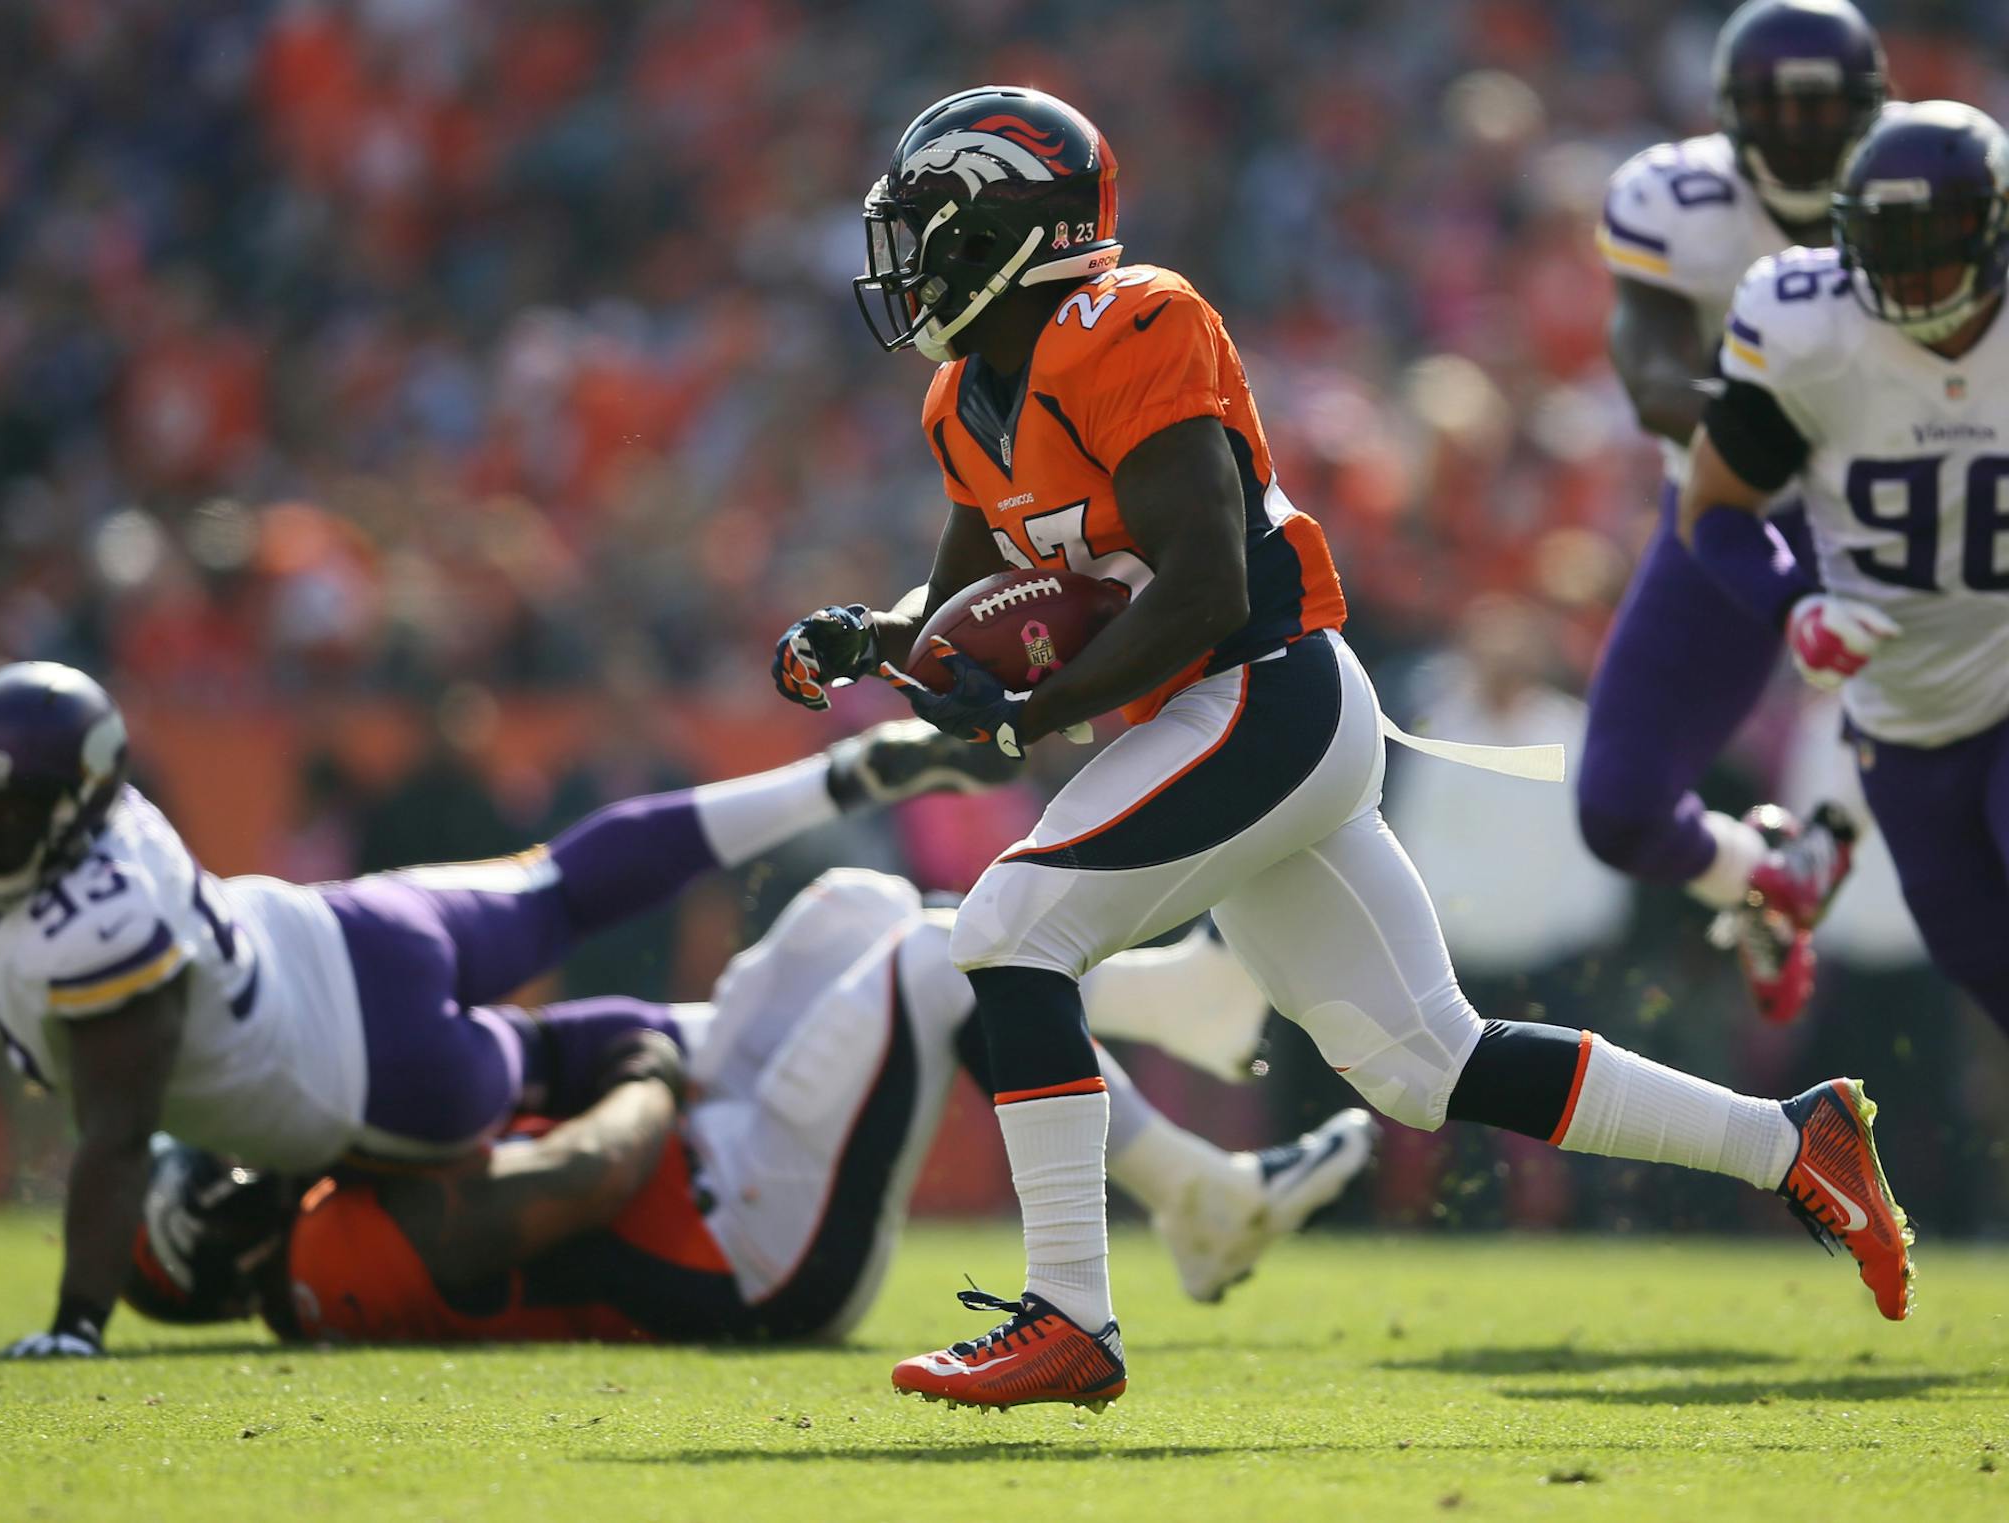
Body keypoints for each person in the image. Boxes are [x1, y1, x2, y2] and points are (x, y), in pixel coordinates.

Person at [772, 84, 1916, 1411]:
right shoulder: (967, 399)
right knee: (1429, 1061)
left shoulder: (1135, 322)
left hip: (1267, 691)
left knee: (1007, 930)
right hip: (1221, 726)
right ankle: (1793, 1140)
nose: (909, 259)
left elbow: (1199, 587)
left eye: (932, 225)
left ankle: (1071, 1311)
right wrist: (874, 639)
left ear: (1013, 230)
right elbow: (964, 598)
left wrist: (1025, 714)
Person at [0, 661, 1013, 1358]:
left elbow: (111, 1131)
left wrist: (79, 1320)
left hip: (383, 1073)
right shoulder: (52, 839)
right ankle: (842, 773)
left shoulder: (107, 917)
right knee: (577, 883)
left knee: (646, 1022)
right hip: (347, 931)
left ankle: (846, 811)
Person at [122, 868, 1381, 1351]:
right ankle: (1197, 1192)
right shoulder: (331, 1255)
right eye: (216, 1177)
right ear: (206, 1231)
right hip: (746, 1250)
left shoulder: (321, 1212)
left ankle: (1172, 1013)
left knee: (852, 900)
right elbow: (585, 1179)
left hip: (712, 1169)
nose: (243, 1159)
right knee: (933, 961)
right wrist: (644, 1071)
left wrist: (613, 1054)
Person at [1581, 0, 1887, 1021]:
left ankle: (1823, 848)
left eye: (1822, 110)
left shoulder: (1923, 187)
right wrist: (1792, 418)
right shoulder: (1681, 201)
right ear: (1729, 114)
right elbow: (1655, 379)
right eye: (1778, 109)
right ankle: (1767, 874)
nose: (1800, 133)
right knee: (1619, 809)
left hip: (1909, 505)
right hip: (1734, 503)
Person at [1678, 100, 2009, 1039]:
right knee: (1972, 947)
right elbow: (1716, 509)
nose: (1907, 276)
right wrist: (1797, 605)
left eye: (1933, 245)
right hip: (1901, 716)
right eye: (1885, 245)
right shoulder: (1807, 325)